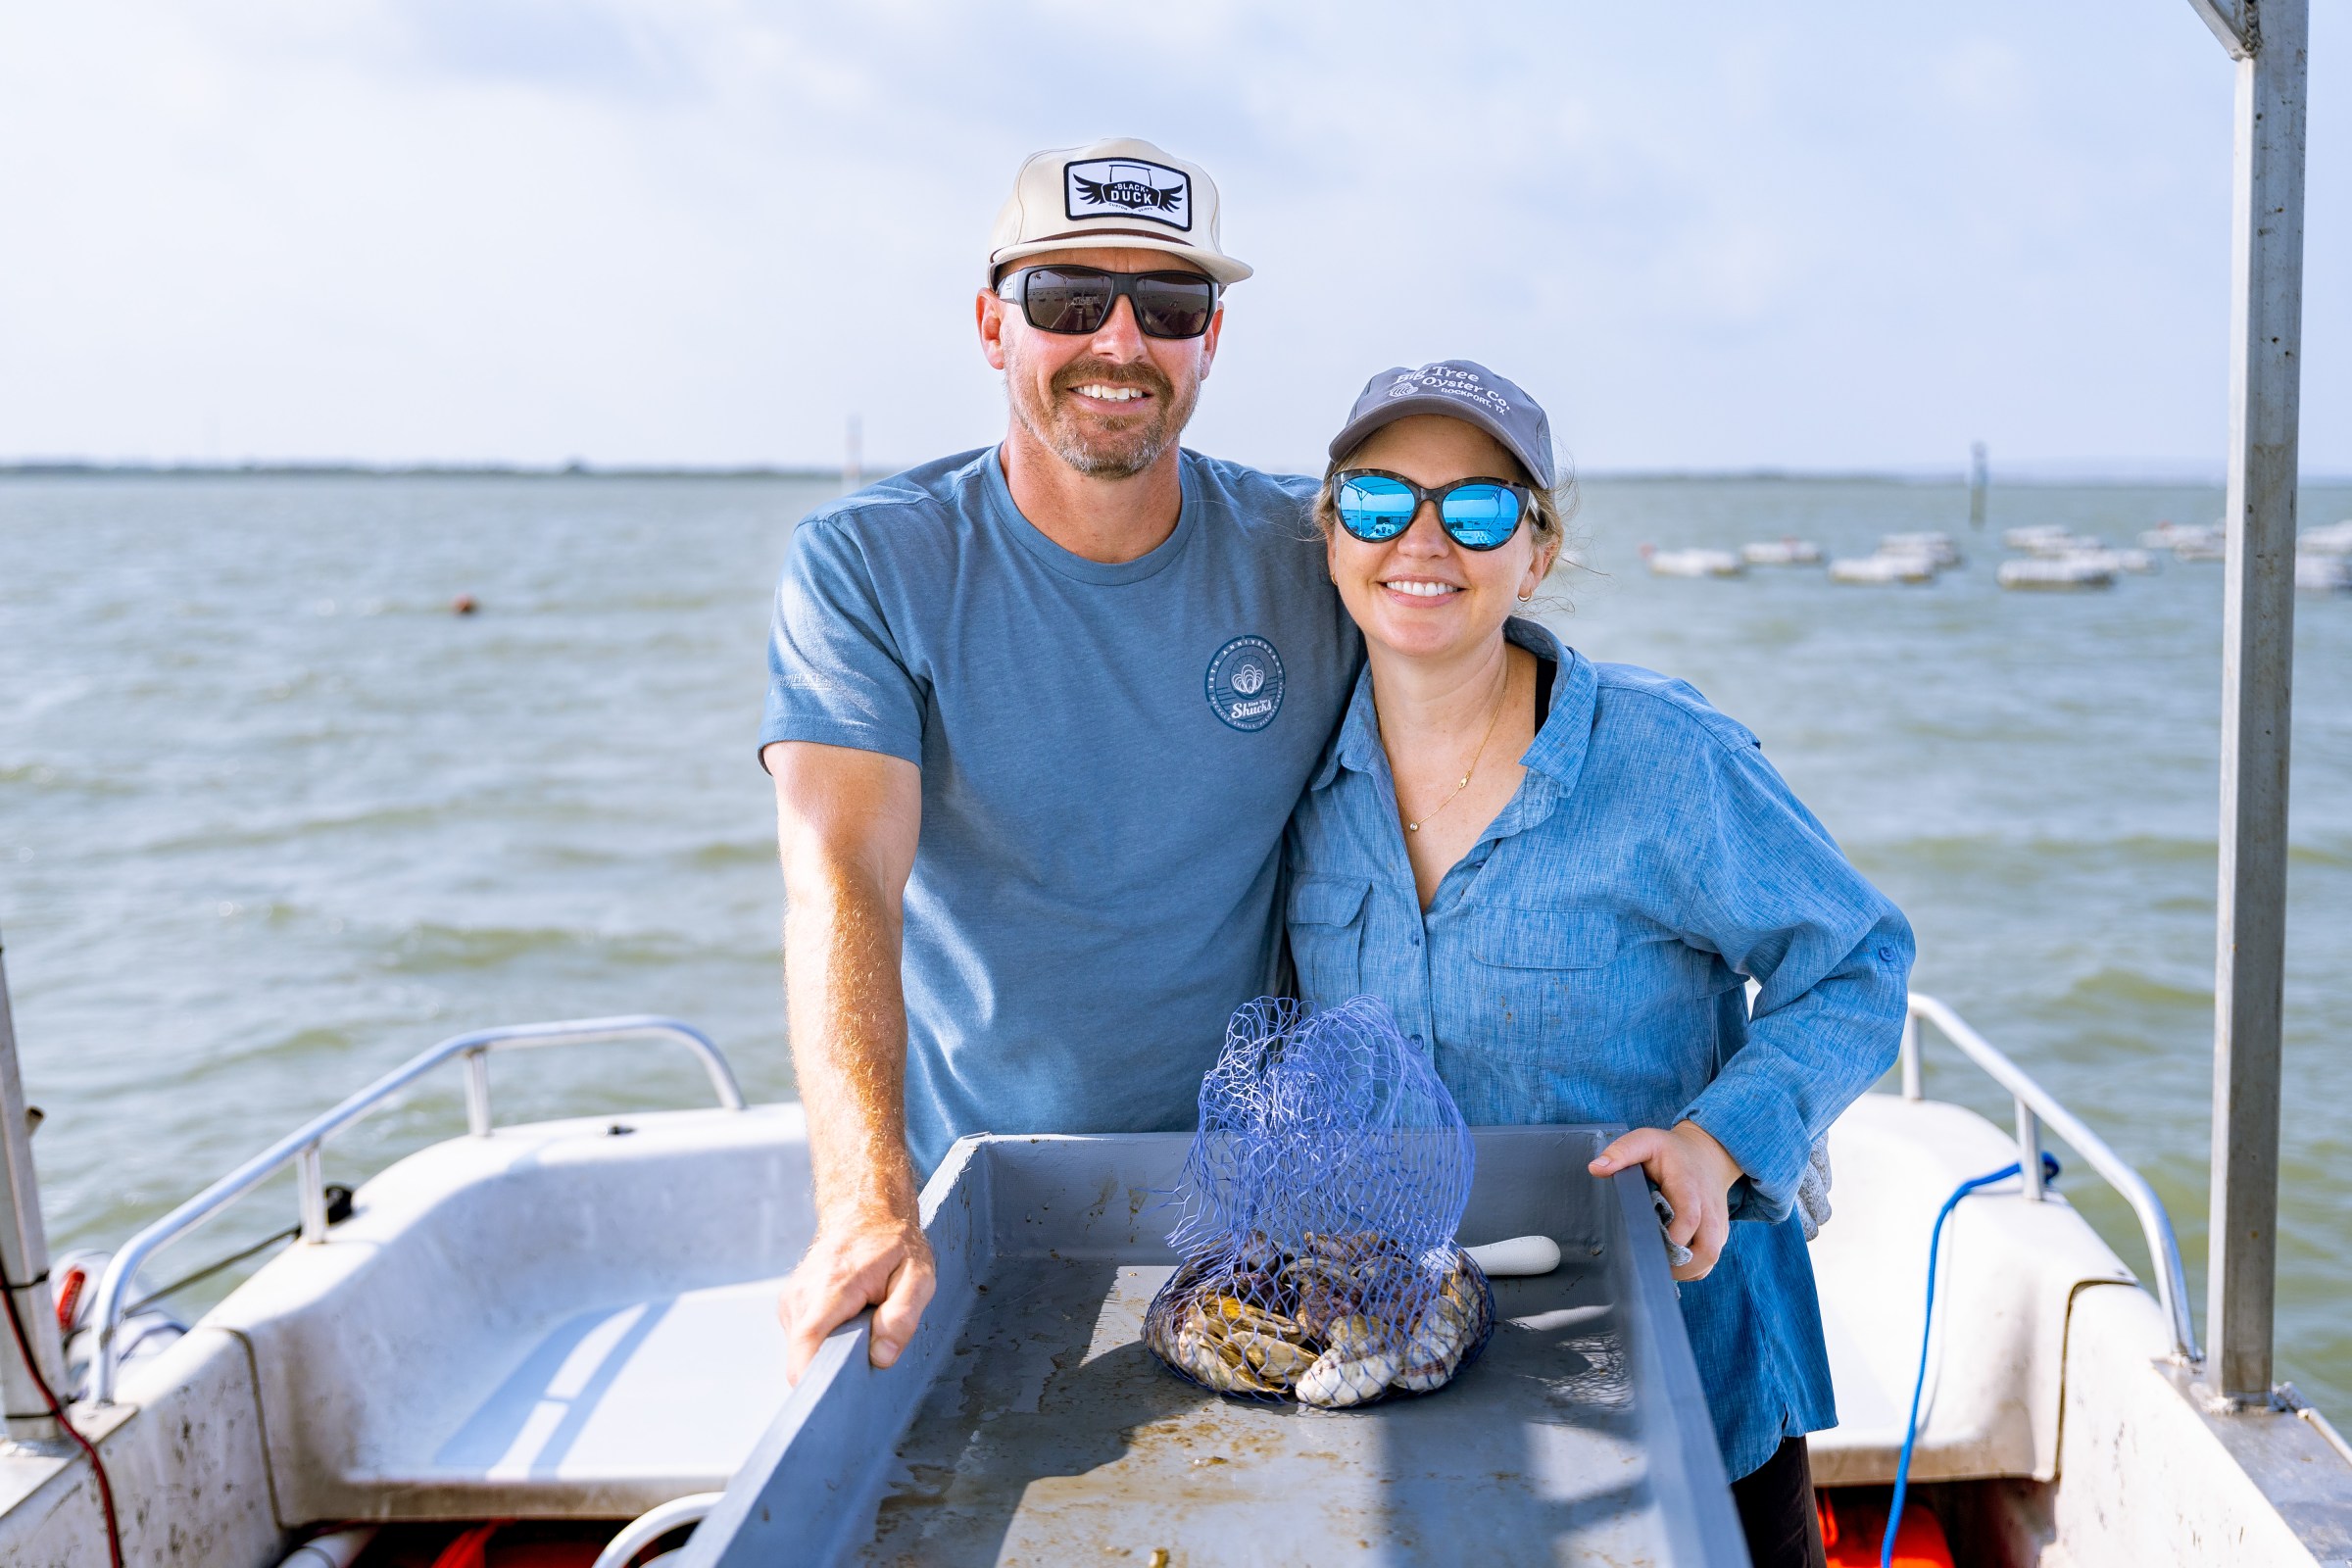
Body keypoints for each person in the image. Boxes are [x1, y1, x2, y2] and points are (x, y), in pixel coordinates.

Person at [1283, 361, 1911, 1568]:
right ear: (1331, 535)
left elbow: (1859, 961)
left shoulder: (1666, 759)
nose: (1423, 538)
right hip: (1417, 1386)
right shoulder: (1299, 781)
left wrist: (1722, 1139)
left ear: (1538, 550)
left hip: (1689, 1381)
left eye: (1475, 508)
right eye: (1378, 502)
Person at [760, 138, 1358, 1382]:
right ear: (993, 326)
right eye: (1070, 299)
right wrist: (868, 1199)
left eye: (1171, 304)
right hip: (981, 1200)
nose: (1122, 341)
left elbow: (1497, 707)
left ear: (1213, 338)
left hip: (1271, 1204)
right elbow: (842, 874)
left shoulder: (1313, 556)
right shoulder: (867, 566)